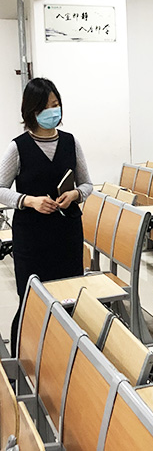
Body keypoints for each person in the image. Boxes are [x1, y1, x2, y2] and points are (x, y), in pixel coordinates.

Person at [0, 78, 93, 355]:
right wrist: (29, 200)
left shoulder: (71, 142)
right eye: (46, 107)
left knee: (69, 297)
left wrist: (75, 195)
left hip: (67, 234)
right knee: (32, 301)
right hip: (32, 238)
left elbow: (87, 184)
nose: (54, 111)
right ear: (32, 111)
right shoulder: (18, 147)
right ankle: (25, 358)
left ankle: (66, 357)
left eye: (56, 104)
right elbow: (0, 189)